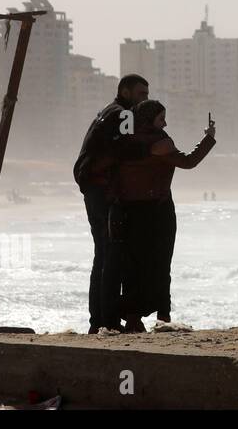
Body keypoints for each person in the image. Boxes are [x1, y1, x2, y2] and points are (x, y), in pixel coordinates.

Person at [111, 100, 216, 333]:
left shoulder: (125, 142)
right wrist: (209, 138)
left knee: (132, 267)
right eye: (161, 119)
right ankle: (163, 318)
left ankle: (132, 319)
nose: (165, 123)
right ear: (150, 120)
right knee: (160, 263)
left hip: (128, 211)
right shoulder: (160, 143)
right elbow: (188, 161)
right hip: (158, 212)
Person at [73, 73, 150, 334]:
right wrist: (153, 149)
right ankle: (106, 320)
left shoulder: (107, 112)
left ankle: (99, 321)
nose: (144, 100)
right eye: (141, 94)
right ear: (126, 92)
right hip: (101, 191)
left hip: (93, 188)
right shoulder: (123, 114)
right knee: (110, 255)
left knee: (103, 255)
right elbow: (127, 149)